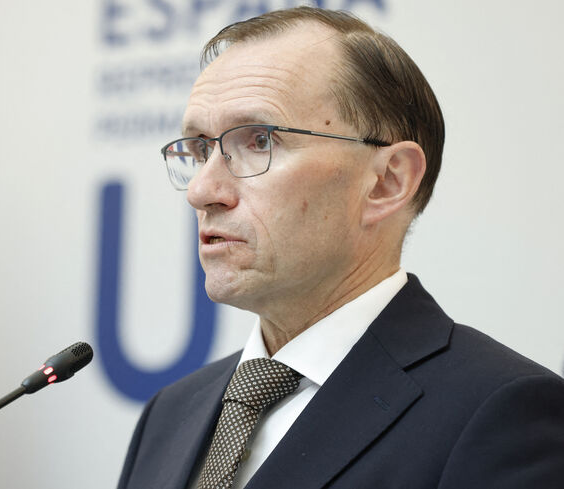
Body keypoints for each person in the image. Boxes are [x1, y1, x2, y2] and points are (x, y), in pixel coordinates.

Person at [117, 7, 564, 489]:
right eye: (201, 148)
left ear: (387, 182)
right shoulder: (171, 412)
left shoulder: (501, 412)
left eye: (260, 140)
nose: (201, 192)